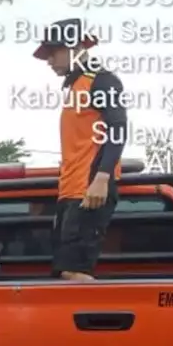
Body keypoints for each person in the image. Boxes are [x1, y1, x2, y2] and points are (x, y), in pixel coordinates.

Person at [34, 18, 129, 280]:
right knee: (63, 271)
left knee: (73, 272)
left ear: (73, 47)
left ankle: (110, 311)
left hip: (89, 190)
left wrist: (101, 178)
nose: (49, 61)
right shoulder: (76, 86)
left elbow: (118, 129)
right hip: (71, 191)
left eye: (52, 53)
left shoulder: (102, 80)